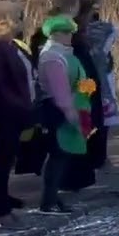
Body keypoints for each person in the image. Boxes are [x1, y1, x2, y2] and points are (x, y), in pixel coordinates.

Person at [0, 1, 35, 229]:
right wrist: (19, 104)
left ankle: (0, 202)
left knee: (4, 159)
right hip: (3, 112)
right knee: (1, 160)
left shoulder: (8, 44)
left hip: (12, 110)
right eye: (20, 16)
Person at [36, 14, 92, 215]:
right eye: (67, 32)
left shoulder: (64, 53)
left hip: (70, 107)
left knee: (62, 156)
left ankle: (53, 198)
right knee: (58, 155)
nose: (71, 36)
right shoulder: (52, 57)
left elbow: (79, 79)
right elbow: (60, 92)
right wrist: (72, 115)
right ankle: (48, 201)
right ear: (56, 33)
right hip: (57, 111)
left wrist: (87, 89)